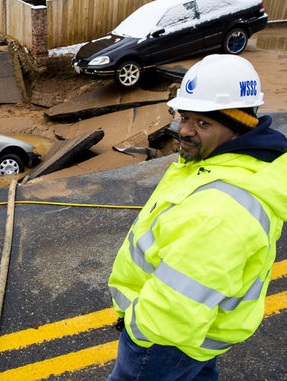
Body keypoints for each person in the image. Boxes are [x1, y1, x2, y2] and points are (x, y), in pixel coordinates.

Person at [107, 54, 287, 380]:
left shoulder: (221, 212)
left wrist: (137, 333)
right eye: (184, 116)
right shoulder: (220, 162)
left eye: (203, 123)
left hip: (162, 341)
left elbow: (174, 305)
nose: (184, 131)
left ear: (238, 128)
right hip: (195, 333)